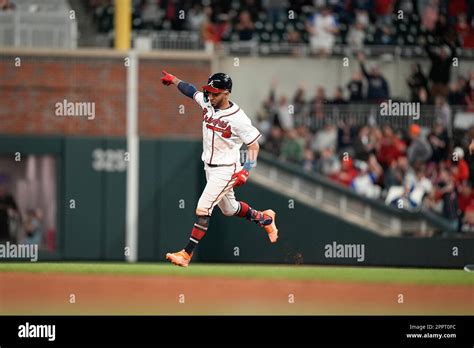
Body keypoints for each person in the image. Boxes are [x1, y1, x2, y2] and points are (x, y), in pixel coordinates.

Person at [160, 71, 279, 267]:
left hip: (226, 169)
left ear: (226, 93)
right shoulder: (207, 102)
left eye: (215, 93)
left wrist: (246, 170)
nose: (210, 96)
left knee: (203, 207)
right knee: (229, 209)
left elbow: (254, 146)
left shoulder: (239, 118)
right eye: (209, 91)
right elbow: (191, 91)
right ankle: (264, 218)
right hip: (210, 167)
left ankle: (186, 254)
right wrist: (174, 80)